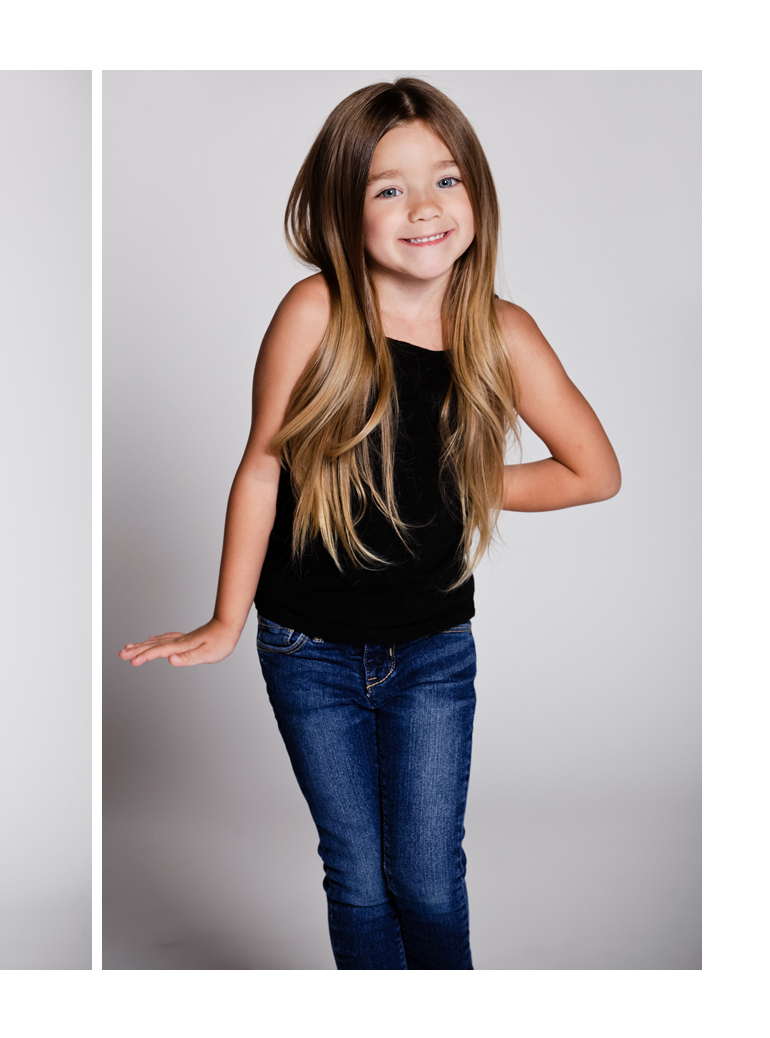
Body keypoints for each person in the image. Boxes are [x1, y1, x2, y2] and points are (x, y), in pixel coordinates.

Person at [119, 78, 620, 969]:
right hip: (306, 652)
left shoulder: (503, 333)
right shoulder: (315, 314)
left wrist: (457, 478)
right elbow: (263, 464)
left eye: (446, 180)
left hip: (431, 652)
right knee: (356, 876)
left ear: (478, 196)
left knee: (426, 879)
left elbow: (593, 472)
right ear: (344, 211)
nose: (423, 208)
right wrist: (227, 619)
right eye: (388, 188)